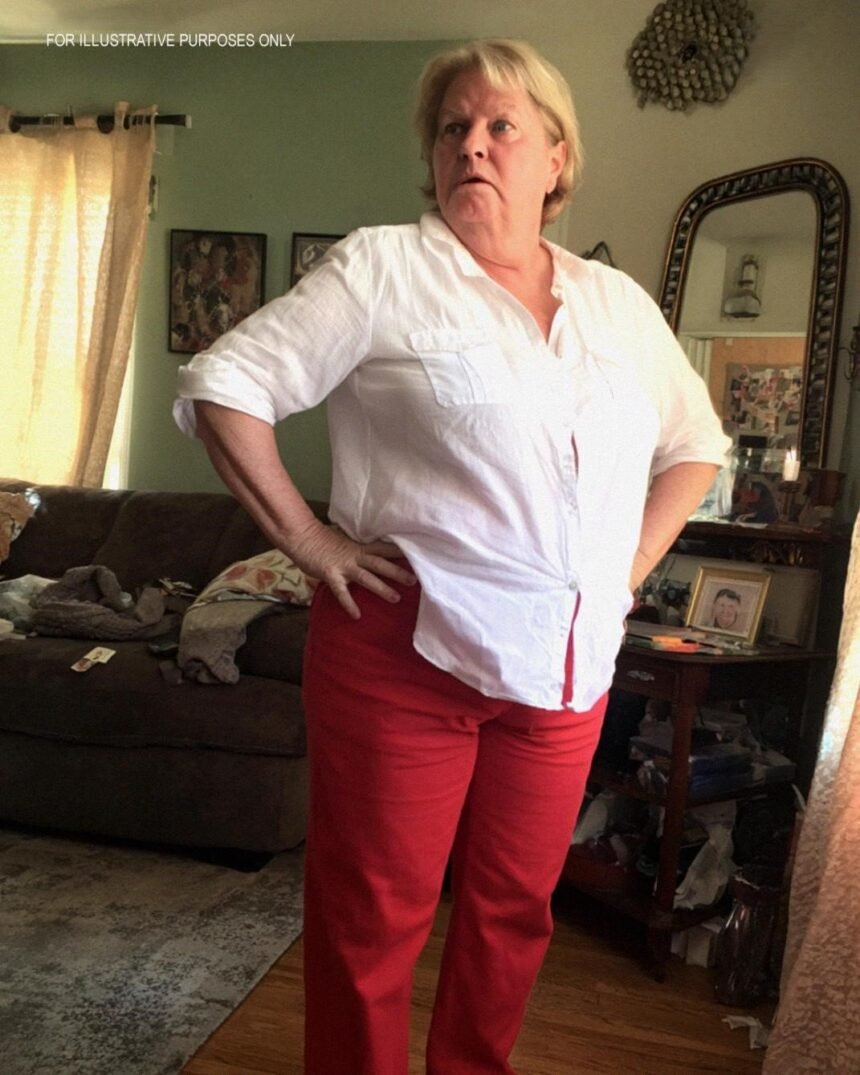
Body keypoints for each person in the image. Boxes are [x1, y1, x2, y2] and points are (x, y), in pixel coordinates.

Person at [173, 39, 731, 1074]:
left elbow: (696, 442)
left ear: (555, 159)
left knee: (514, 912)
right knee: (372, 918)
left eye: (499, 126)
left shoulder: (614, 304)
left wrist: (623, 569)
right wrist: (307, 539)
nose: (471, 145)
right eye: (451, 128)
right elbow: (224, 385)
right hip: (403, 652)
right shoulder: (383, 269)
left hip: (566, 666)